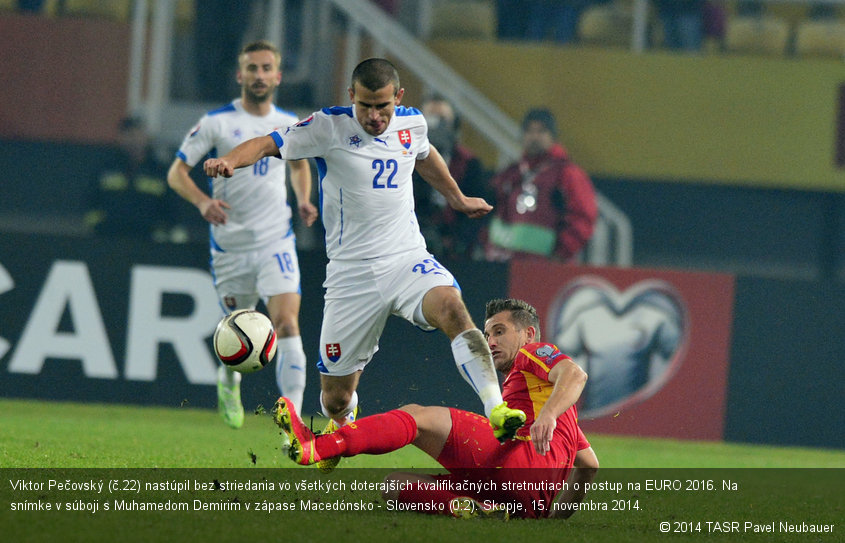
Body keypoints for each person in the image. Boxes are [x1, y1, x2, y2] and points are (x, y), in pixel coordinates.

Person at [203, 58, 527, 467]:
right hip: (351, 275)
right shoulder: (328, 127)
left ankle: (496, 409)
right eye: (366, 106)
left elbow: (424, 157)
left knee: (452, 306)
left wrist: (457, 198)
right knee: (335, 398)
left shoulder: (412, 123)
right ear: (352, 96)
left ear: (399, 98)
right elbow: (268, 143)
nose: (375, 117)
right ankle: (341, 428)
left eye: (383, 107)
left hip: (406, 258)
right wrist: (231, 159)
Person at [273, 298, 599, 520]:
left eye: (499, 332)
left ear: (527, 333)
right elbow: (589, 465)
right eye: (486, 335)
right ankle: (478, 508)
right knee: (394, 486)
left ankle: (319, 446)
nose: (490, 342)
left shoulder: (534, 353)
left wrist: (549, 415)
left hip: (518, 462)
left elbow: (575, 373)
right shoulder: (547, 404)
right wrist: (554, 515)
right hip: (526, 501)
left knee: (418, 416)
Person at [167, 40, 317, 429]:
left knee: (286, 323)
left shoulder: (288, 122)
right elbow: (176, 173)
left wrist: (303, 199)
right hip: (231, 247)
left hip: (276, 241)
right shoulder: (216, 122)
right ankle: (229, 378)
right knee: (236, 332)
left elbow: (299, 165)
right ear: (240, 75)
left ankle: (294, 419)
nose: (260, 75)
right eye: (253, 68)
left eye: (267, 68)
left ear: (278, 76)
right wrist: (202, 203)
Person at [482, 108, 597, 263]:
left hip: (550, 268)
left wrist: (562, 252)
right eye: (529, 131)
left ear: (553, 136)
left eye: (541, 131)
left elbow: (583, 218)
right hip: (507, 266)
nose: (534, 137)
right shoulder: (511, 173)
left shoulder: (568, 174)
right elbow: (492, 211)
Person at [414, 95, 490, 259]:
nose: (436, 126)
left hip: (457, 250)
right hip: (414, 242)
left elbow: (478, 211)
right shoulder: (407, 160)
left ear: (454, 126)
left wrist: (457, 241)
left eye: (442, 120)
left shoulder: (470, 164)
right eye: (430, 119)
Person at [85, 116, 183, 242]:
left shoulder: (159, 172)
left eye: (138, 134)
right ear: (120, 138)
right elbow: (90, 202)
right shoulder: (105, 169)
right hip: (109, 239)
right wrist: (98, 227)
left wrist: (162, 232)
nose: (134, 139)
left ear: (146, 137)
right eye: (129, 134)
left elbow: (172, 208)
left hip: (149, 243)